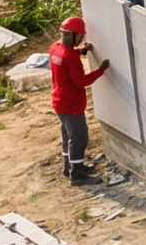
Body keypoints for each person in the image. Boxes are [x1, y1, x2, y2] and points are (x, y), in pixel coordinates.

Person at [48, 16, 111, 183]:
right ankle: (77, 174)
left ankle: (69, 167)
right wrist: (101, 70)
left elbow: (65, 58)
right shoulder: (71, 56)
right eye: (81, 36)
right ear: (72, 35)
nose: (82, 39)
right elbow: (81, 81)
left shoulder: (55, 48)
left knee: (68, 135)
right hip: (72, 104)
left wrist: (82, 50)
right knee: (79, 136)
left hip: (60, 102)